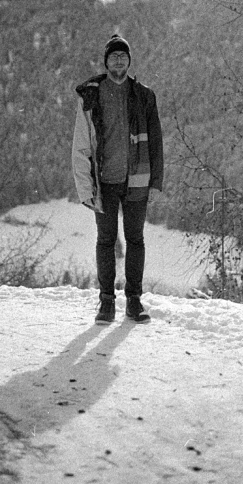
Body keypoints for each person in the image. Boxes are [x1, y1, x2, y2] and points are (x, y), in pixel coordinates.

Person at [72, 34, 164, 324]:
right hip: (105, 181)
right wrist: (85, 188)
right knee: (106, 240)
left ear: (129, 60)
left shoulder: (144, 95)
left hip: (137, 179)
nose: (119, 60)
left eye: (123, 55)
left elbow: (156, 142)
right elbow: (81, 144)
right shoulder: (91, 95)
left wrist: (155, 182)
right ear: (106, 61)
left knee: (136, 240)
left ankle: (134, 301)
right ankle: (107, 301)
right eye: (114, 55)